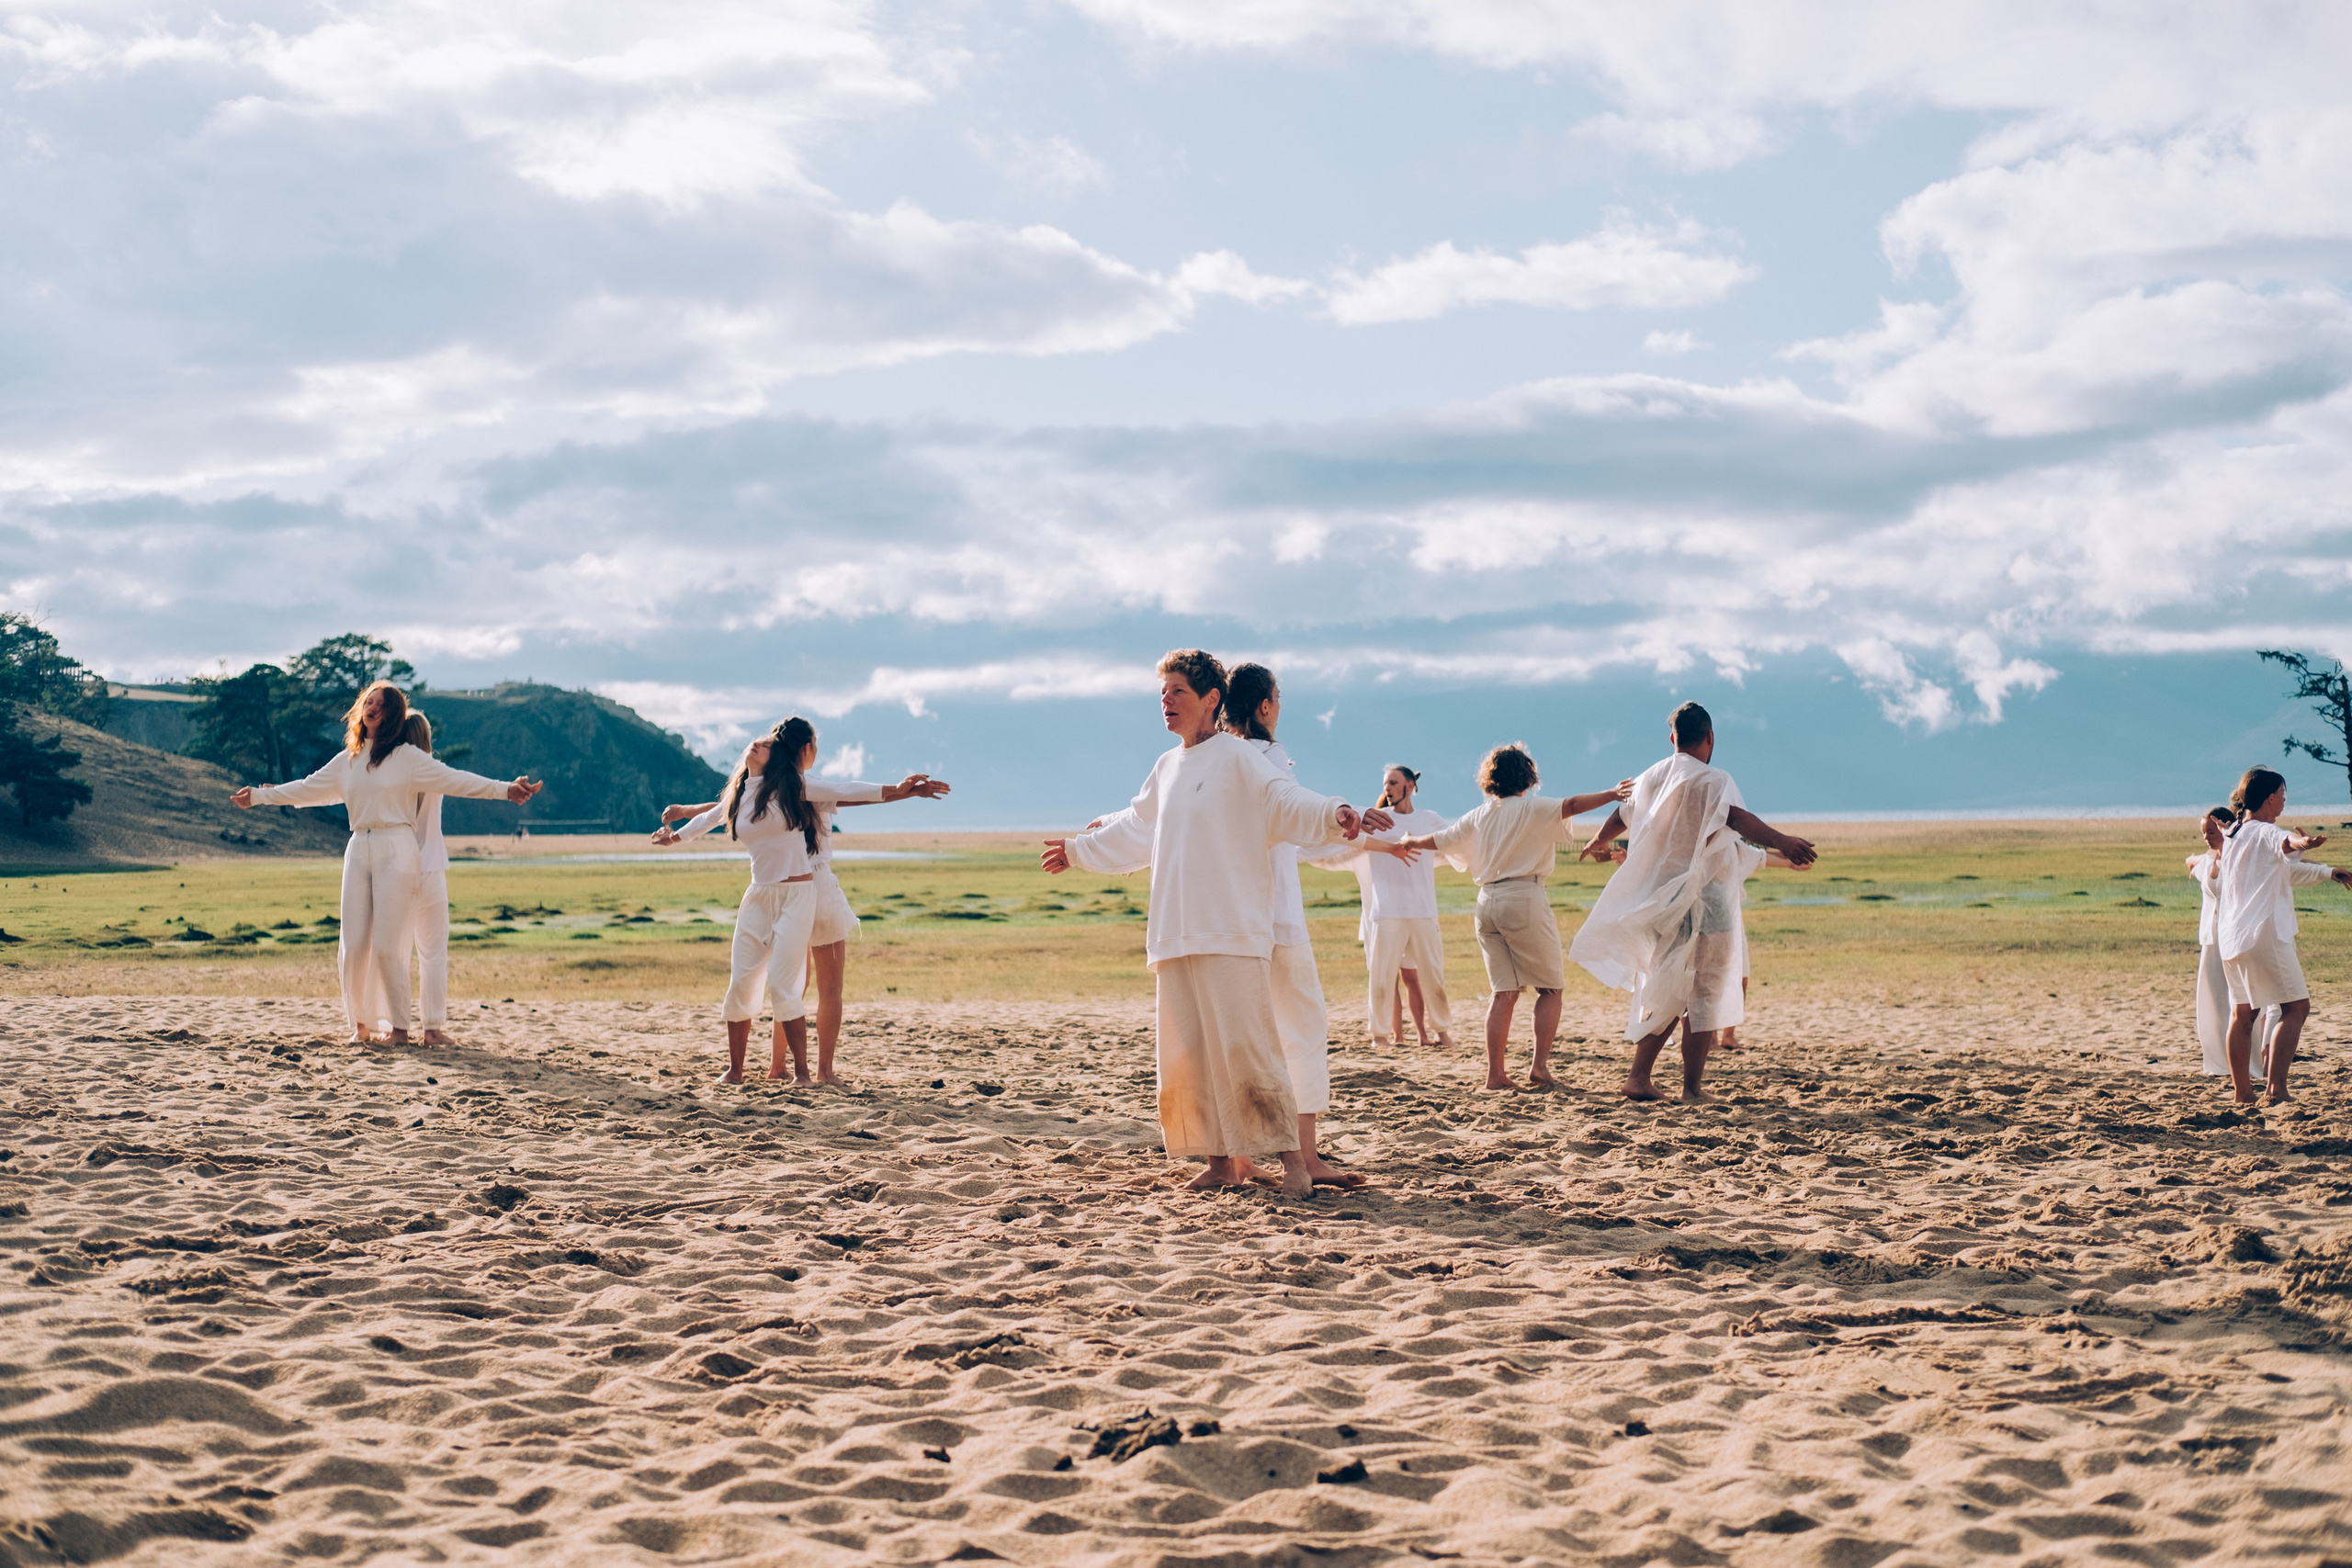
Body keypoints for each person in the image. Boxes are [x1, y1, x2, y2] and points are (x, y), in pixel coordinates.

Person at [1042, 649, 1382, 1200]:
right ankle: (1223, 1162)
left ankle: (1295, 1163)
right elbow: (1136, 826)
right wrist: (1078, 851)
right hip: (1175, 931)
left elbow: (1285, 799)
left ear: (1211, 700)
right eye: (1163, 692)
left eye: (1178, 691)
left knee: (1252, 1049)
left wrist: (1335, 811)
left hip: (1234, 930)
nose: (1166, 701)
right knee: (1191, 1055)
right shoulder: (1166, 766)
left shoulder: (1239, 758)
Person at [232, 681, 541, 1044]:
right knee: (353, 944)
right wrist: (258, 797)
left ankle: (398, 1029)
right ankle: (360, 1025)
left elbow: (456, 780)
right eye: (369, 701)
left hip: (397, 846)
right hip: (358, 846)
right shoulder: (348, 760)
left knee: (386, 945)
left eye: (380, 704)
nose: (372, 707)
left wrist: (506, 789)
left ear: (393, 715)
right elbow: (307, 788)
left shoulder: (408, 759)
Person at [1571, 702, 1817, 1104]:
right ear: (1710, 738)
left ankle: (1639, 1077)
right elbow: (1738, 819)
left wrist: (1598, 840)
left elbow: (1621, 815)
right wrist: (1783, 841)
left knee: (1669, 984)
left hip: (1661, 900)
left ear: (1672, 739)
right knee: (1705, 993)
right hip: (1705, 901)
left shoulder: (1651, 777)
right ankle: (1691, 1089)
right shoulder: (1713, 779)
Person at [659, 761, 950, 1083]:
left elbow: (731, 805)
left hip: (782, 889)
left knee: (791, 984)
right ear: (806, 749)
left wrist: (686, 812)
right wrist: (902, 792)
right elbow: (853, 795)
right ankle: (823, 1071)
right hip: (816, 889)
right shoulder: (806, 786)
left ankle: (777, 1067)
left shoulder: (771, 791)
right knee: (828, 988)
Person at [1394, 744, 1631, 1090]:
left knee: (1503, 992)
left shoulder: (1480, 814)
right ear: (1527, 775)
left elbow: (1439, 840)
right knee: (1550, 988)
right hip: (1524, 898)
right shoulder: (1533, 808)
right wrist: (1612, 794)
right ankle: (1539, 1069)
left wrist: (1410, 840)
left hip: (1486, 903)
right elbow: (1574, 806)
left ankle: (1496, 1075)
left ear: (1491, 778)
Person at [1220, 663, 1361, 1189]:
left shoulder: (1218, 758)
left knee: (1242, 1038)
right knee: (1300, 1033)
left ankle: (1237, 1157)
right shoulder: (1271, 758)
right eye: (1277, 697)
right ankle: (1306, 1155)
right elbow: (1301, 827)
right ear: (1265, 706)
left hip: (1232, 922)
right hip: (1278, 920)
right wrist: (1350, 823)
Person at [2215, 767, 2351, 1104]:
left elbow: (2283, 869)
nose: (2285, 801)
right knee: (2297, 1008)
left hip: (2232, 938)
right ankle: (2276, 1088)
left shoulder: (2234, 834)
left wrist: (2327, 871)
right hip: (2264, 934)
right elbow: (2286, 844)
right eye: (2283, 794)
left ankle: (2242, 1094)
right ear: (2270, 797)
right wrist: (2303, 841)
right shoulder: (2264, 831)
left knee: (2243, 1014)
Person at [1311, 763, 1454, 1048]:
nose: (1387, 789)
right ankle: (1380, 1035)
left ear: (1409, 786)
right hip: (1386, 911)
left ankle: (1442, 1033)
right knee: (1381, 977)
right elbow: (1342, 845)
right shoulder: (1377, 821)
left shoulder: (1430, 819)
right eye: (1385, 784)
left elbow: (1455, 843)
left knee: (1433, 974)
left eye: (1393, 783)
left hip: (1423, 909)